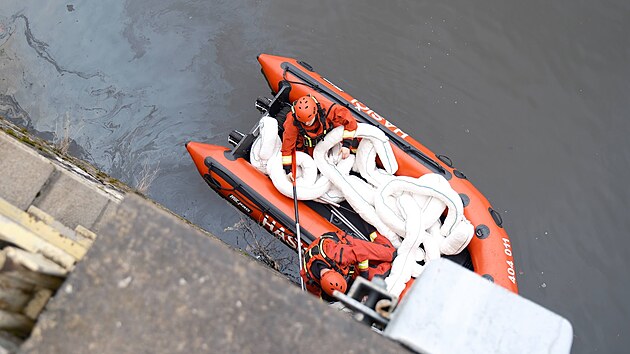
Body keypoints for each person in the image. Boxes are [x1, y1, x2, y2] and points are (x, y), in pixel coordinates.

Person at [300, 230, 396, 301]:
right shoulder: (310, 279)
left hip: (346, 246)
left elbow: (361, 254)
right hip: (345, 268)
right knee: (377, 277)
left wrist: (364, 280)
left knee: (390, 254)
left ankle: (374, 235)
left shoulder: (336, 254)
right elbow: (315, 298)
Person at [281, 94, 358, 177]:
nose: (306, 123)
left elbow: (348, 119)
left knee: (354, 144)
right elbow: (287, 145)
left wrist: (346, 144)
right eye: (303, 122)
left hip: (329, 136)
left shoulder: (325, 109)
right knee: (317, 169)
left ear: (315, 112)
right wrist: (288, 170)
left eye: (309, 120)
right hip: (309, 148)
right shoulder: (292, 122)